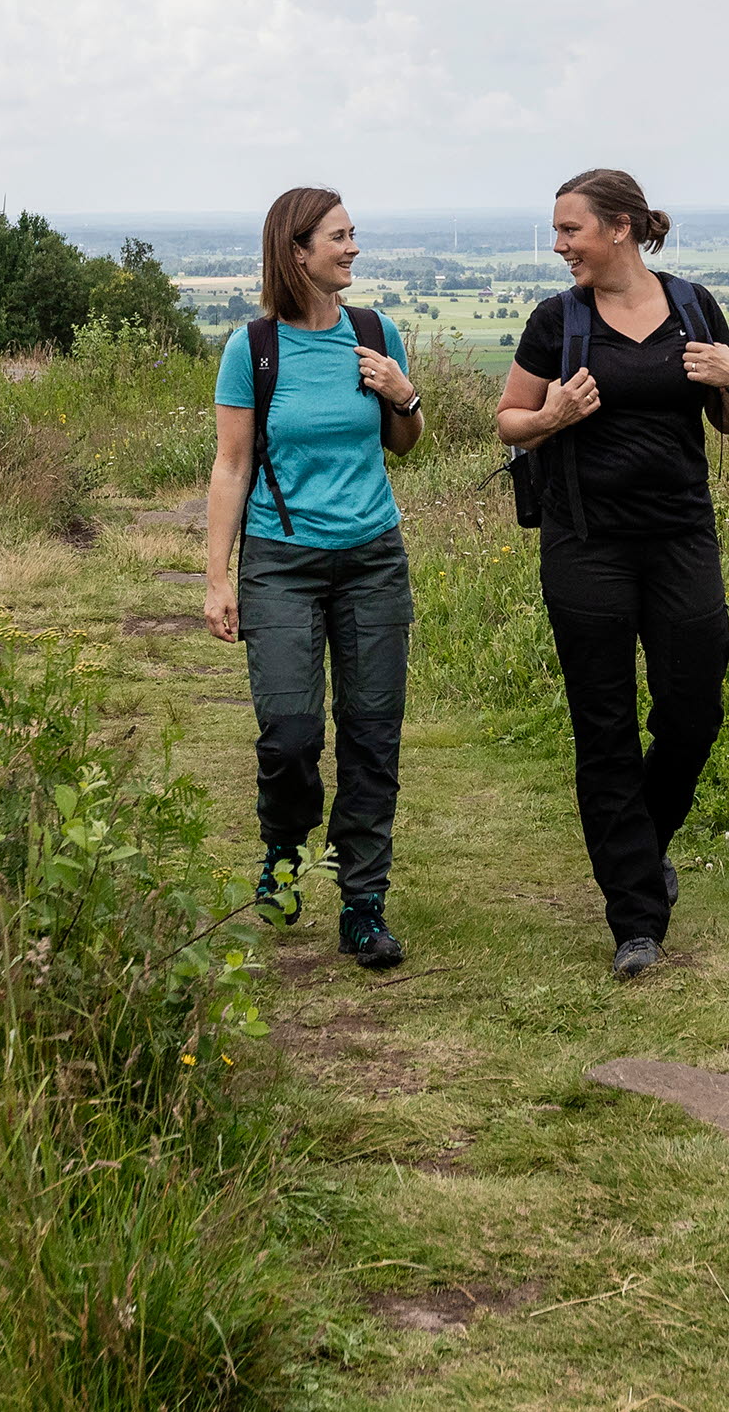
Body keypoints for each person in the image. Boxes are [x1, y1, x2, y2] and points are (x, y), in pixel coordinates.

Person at [496, 167, 729, 979]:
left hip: (681, 536)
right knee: (603, 725)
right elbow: (509, 418)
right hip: (585, 544)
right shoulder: (557, 319)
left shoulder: (692, 305)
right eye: (557, 230)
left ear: (621, 228)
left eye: (570, 229)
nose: (559, 243)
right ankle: (636, 919)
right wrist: (552, 417)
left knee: (694, 708)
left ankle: (640, 847)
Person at [205, 187, 424, 969]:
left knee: (371, 733)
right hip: (281, 561)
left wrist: (407, 395)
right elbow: (231, 466)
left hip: (372, 555)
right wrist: (218, 578)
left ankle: (364, 905)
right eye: (340, 237)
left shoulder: (375, 331)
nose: (354, 248)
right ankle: (284, 847)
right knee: (291, 730)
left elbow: (404, 439)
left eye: (354, 234)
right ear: (298, 251)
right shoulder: (253, 349)